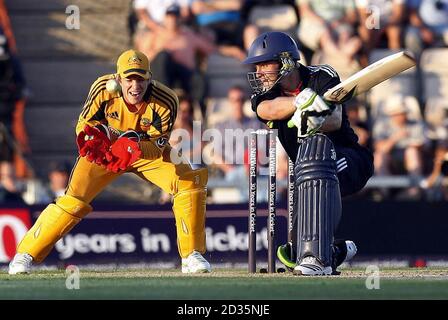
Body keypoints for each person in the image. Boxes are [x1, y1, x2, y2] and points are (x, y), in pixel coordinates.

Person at [8, 49, 211, 274]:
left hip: (144, 151)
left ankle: (192, 255)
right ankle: (24, 255)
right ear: (118, 79)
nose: (136, 85)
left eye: (141, 78)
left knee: (189, 183)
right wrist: (95, 139)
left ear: (149, 78)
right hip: (106, 151)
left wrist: (131, 145)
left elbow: (156, 148)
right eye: (130, 78)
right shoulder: (102, 89)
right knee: (73, 199)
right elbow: (83, 126)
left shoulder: (166, 100)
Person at [243, 31, 374, 275]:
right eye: (256, 66)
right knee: (294, 251)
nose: (258, 72)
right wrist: (299, 104)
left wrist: (316, 118)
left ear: (286, 61)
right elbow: (266, 110)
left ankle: (317, 259)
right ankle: (331, 253)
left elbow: (335, 119)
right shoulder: (265, 93)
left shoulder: (322, 75)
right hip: (307, 176)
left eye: (264, 64)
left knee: (319, 155)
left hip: (350, 159)